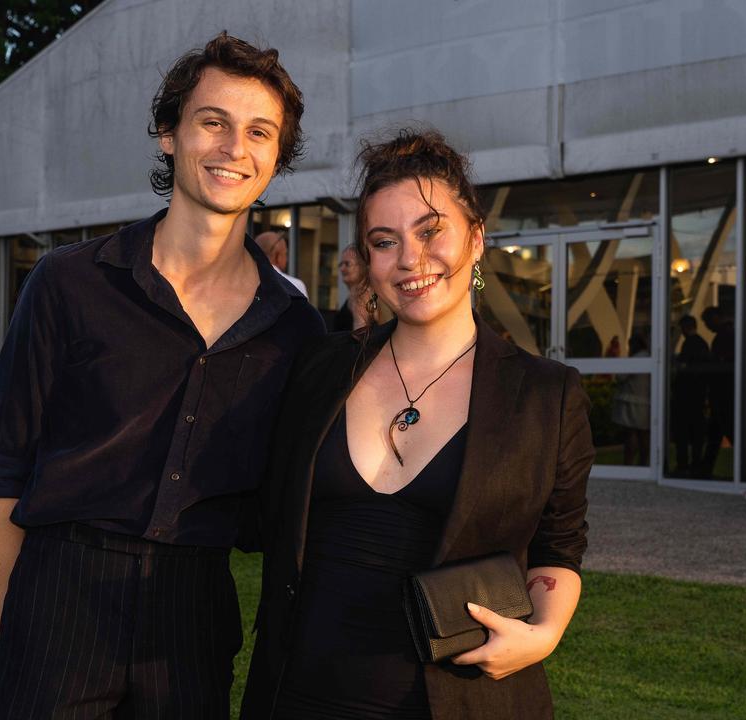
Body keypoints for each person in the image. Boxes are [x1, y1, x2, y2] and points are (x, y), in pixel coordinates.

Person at [0, 33, 322, 719]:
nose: (233, 148)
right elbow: (5, 478)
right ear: (169, 134)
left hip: (193, 618)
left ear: (276, 159)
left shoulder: (295, 329)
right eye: (212, 122)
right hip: (60, 598)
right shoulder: (68, 283)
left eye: (258, 132)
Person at [242, 129, 593, 720]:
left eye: (431, 231)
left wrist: (545, 633)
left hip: (460, 699)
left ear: (476, 239)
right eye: (385, 241)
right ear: (365, 262)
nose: (410, 259)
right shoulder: (321, 367)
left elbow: (559, 546)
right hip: (297, 694)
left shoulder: (545, 394)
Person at [671, 315, 710, 476]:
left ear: (686, 327)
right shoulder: (702, 344)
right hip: (697, 395)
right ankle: (695, 463)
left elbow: (684, 369)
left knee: (683, 431)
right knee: (696, 432)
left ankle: (683, 464)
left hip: (686, 396)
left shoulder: (690, 344)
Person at [698, 306, 734, 478]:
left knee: (722, 430)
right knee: (718, 432)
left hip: (723, 394)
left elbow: (723, 365)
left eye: (708, 322)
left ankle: (706, 468)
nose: (707, 326)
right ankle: (705, 468)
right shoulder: (725, 336)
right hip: (723, 393)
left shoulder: (724, 337)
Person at [611, 333, 650, 466]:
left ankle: (628, 464)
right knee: (644, 435)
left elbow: (621, 376)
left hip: (632, 401)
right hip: (646, 402)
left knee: (631, 434)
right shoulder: (649, 357)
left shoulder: (637, 359)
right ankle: (644, 463)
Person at [331, 243, 374, 331]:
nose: (342, 269)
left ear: (362, 266)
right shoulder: (356, 293)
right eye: (341, 264)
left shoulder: (362, 295)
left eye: (347, 264)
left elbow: (360, 334)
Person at [256, 229, 308, 297]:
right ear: (277, 256)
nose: (287, 259)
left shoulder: (245, 283)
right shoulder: (295, 285)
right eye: (285, 254)